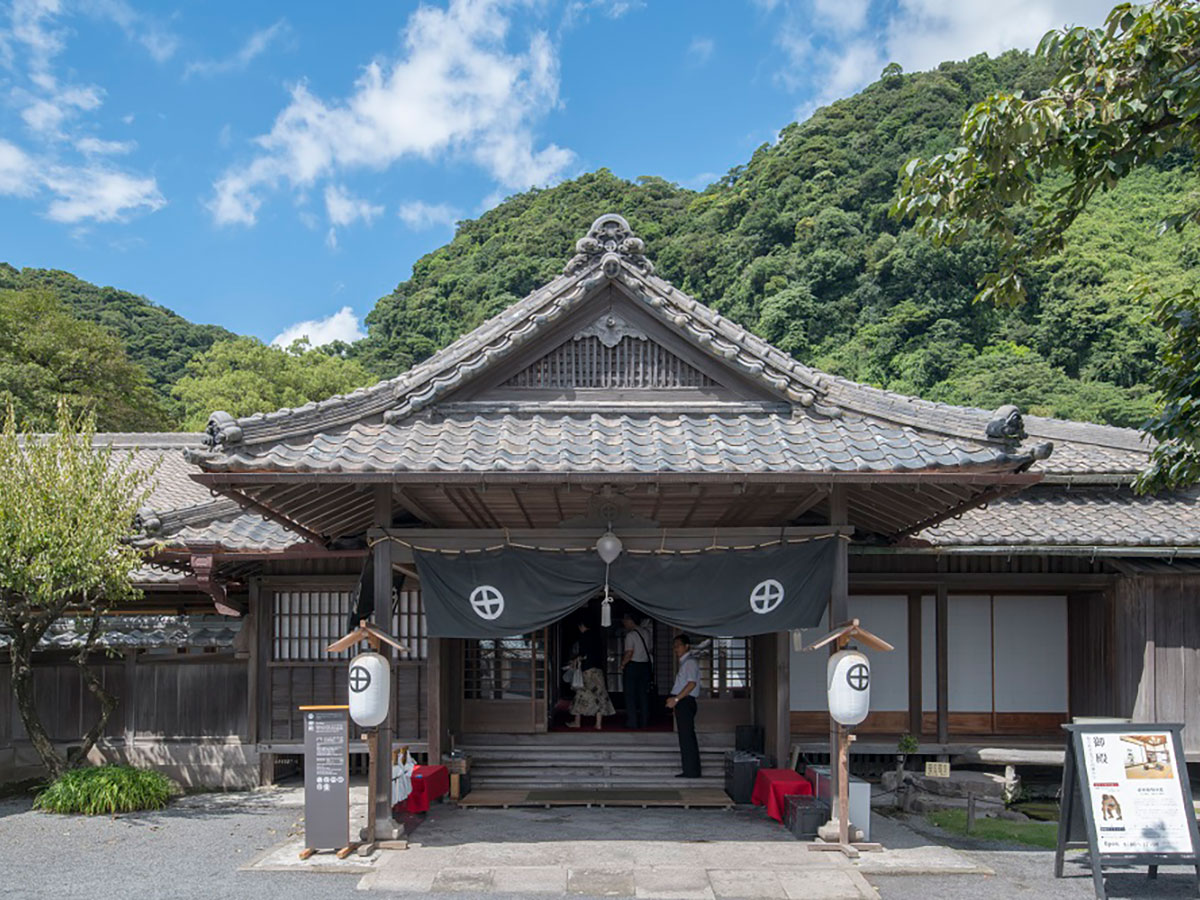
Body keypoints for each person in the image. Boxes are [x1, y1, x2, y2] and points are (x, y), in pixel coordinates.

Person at [567, 618, 614, 730]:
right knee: (599, 695)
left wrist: (574, 662)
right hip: (598, 670)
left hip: (588, 670)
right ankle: (598, 723)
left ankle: (577, 722)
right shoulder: (597, 637)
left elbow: (583, 654)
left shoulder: (584, 636)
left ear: (582, 625)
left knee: (581, 694)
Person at [667, 633, 701, 777]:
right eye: (674, 646)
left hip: (685, 701)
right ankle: (689, 769)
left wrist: (676, 699)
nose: (676, 649)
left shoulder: (690, 662)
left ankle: (691, 771)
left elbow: (691, 684)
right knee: (685, 737)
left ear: (687, 646)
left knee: (687, 737)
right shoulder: (685, 663)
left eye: (678, 646)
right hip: (683, 701)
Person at [619, 612, 652, 728]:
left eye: (625, 620)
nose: (624, 623)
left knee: (630, 695)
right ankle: (644, 721)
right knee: (643, 694)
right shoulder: (647, 633)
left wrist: (622, 664)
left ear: (630, 620)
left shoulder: (631, 635)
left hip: (632, 666)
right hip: (644, 665)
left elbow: (629, 652)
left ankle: (632, 722)